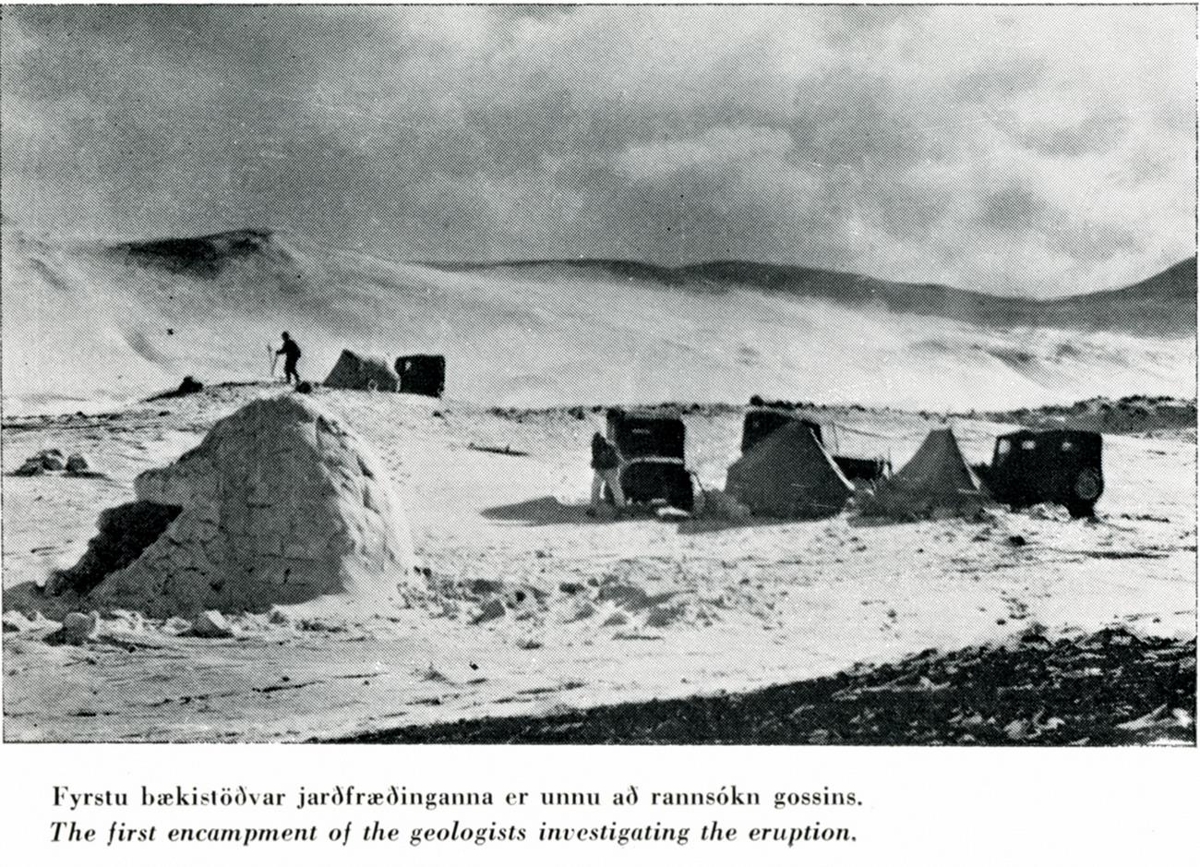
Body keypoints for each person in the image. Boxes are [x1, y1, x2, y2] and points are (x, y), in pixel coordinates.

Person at [587, 432, 625, 517]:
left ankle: (593, 509)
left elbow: (595, 459)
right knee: (615, 489)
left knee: (595, 488)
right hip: (610, 469)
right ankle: (620, 508)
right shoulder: (610, 445)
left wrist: (595, 466)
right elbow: (618, 457)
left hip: (603, 469)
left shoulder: (596, 445)